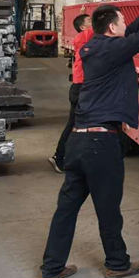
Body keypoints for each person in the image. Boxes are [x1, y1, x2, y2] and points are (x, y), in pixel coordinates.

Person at [40, 0, 139, 278]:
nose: (125, 26)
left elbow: (133, 31)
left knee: (66, 208)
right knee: (108, 209)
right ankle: (117, 264)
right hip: (100, 145)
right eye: (122, 22)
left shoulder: (96, 45)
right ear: (112, 28)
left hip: (78, 141)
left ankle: (51, 268)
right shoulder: (112, 50)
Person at [48, 11, 93, 173]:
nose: (93, 22)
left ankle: (70, 157)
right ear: (82, 27)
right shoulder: (82, 37)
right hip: (80, 89)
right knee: (73, 124)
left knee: (81, 124)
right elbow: (103, 28)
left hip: (83, 88)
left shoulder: (88, 38)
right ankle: (59, 158)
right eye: (89, 21)